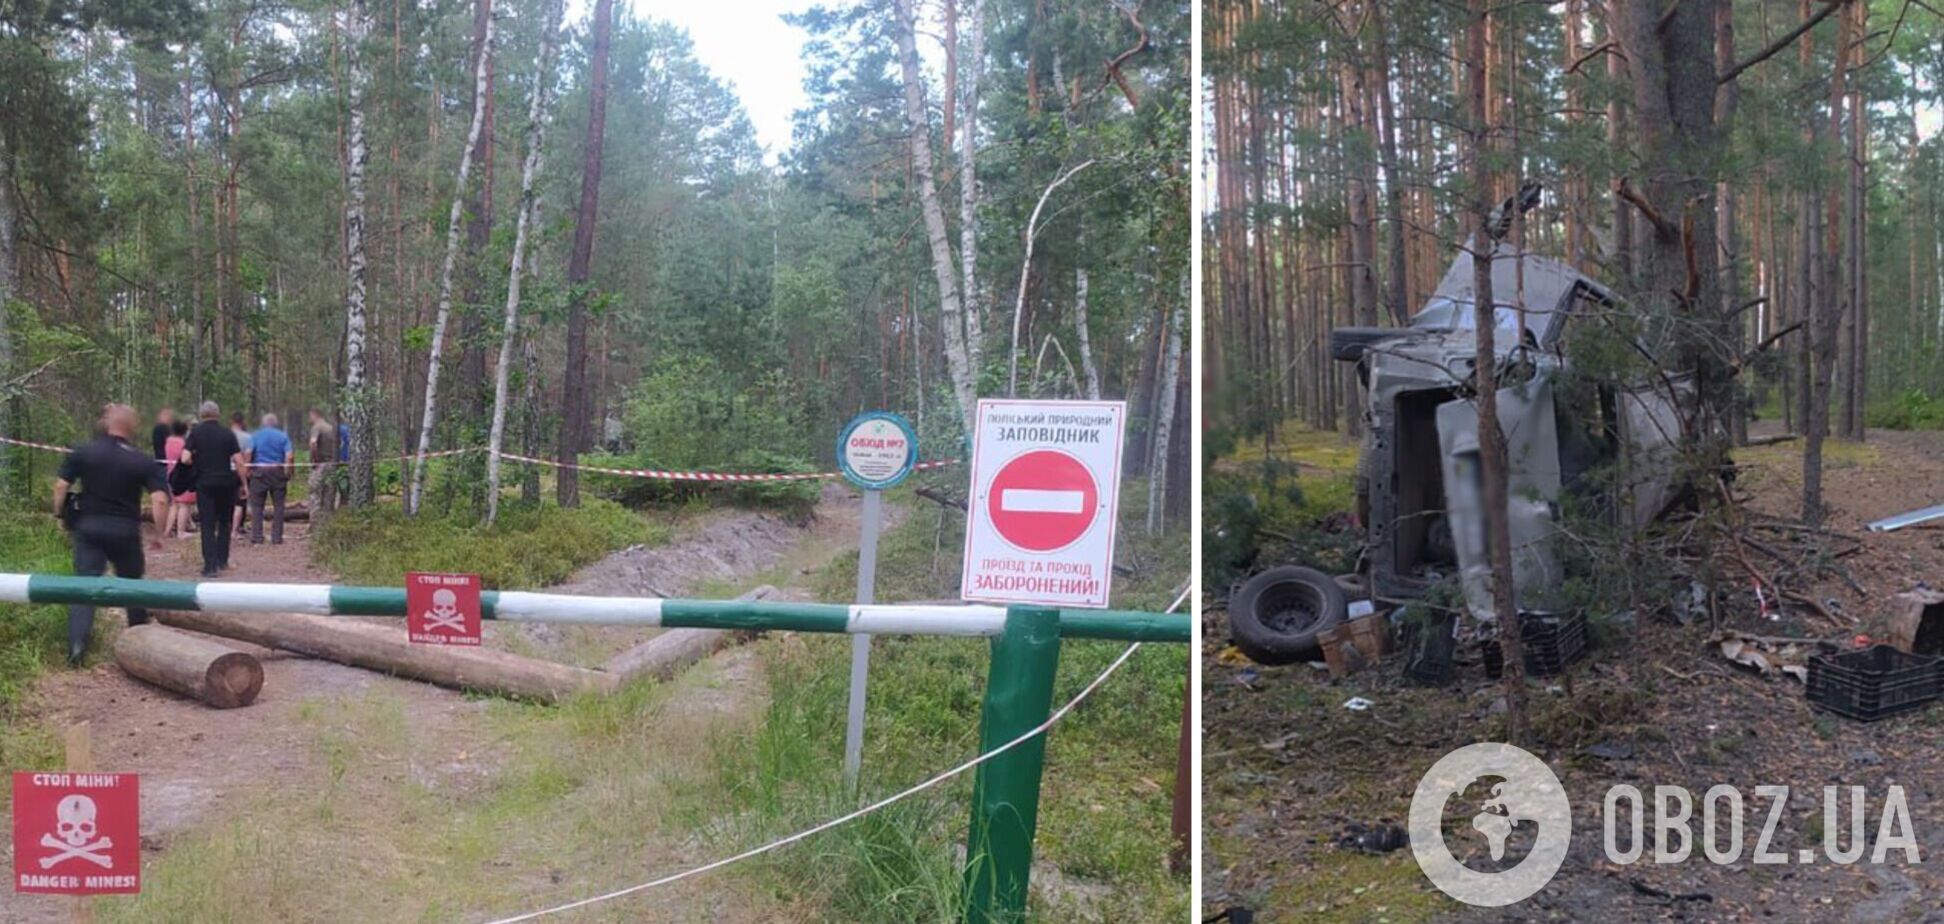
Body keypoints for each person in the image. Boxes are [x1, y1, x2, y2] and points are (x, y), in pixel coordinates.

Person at [53, 404, 170, 664]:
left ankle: (77, 648)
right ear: (132, 428)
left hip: (89, 528)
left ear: (107, 424)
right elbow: (160, 500)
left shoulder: (84, 452)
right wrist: (158, 533)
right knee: (132, 586)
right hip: (125, 531)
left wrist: (60, 516)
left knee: (85, 586)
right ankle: (140, 644)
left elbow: (61, 486)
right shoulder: (141, 460)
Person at [180, 401, 244, 576]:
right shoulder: (227, 433)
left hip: (205, 483)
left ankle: (210, 567)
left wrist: (195, 459)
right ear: (218, 414)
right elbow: (239, 460)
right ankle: (222, 560)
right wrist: (244, 484)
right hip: (226, 483)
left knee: (207, 525)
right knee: (224, 522)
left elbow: (185, 458)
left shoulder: (195, 433)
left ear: (202, 415)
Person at [247, 413, 294, 544]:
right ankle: (277, 537)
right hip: (277, 472)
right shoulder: (283, 436)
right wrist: (288, 472)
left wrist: (248, 470)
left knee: (257, 506)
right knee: (279, 506)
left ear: (263, 423)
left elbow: (248, 452)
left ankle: (257, 536)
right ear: (275, 423)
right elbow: (289, 456)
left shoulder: (255, 435)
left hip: (259, 472)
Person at [162, 419, 196, 539]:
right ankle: (181, 532)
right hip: (183, 476)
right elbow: (186, 458)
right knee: (184, 504)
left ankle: (167, 530)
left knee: (174, 504)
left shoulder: (168, 441)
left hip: (170, 473)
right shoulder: (183, 444)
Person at [306, 408, 339, 527]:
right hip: (331, 464)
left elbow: (313, 443)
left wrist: (314, 459)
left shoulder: (317, 427)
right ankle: (328, 523)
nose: (309, 418)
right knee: (329, 493)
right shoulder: (331, 428)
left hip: (320, 465)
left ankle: (314, 524)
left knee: (315, 493)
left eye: (309, 415)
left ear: (314, 415)